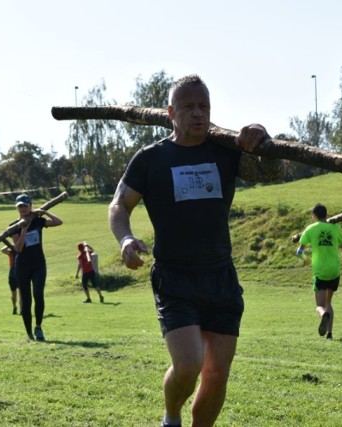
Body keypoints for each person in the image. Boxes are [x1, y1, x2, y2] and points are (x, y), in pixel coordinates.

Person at [109, 75, 284, 427]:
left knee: (217, 374)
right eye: (188, 106)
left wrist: (262, 138)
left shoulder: (225, 151)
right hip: (175, 279)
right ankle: (171, 416)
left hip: (220, 277)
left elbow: (272, 173)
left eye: (203, 106)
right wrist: (126, 239)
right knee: (189, 365)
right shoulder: (151, 159)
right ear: (170, 113)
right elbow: (118, 206)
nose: (197, 113)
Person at [11, 194, 63, 342]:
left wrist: (44, 211)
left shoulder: (38, 221)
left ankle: (38, 327)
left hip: (39, 264)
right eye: (20, 207)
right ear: (17, 209)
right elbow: (19, 249)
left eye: (25, 206)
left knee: (38, 295)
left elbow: (58, 222)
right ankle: (29, 333)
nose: (23, 209)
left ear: (30, 206)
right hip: (22, 266)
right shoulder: (13, 227)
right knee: (26, 301)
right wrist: (24, 229)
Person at [297, 203, 342, 340]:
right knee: (328, 303)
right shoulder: (335, 227)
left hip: (320, 271)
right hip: (334, 270)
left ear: (314, 215)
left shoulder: (311, 229)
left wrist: (305, 259)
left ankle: (323, 315)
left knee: (319, 306)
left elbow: (299, 251)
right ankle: (329, 334)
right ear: (327, 214)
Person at [0, 245, 21, 314]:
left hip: (21, 274)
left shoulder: (22, 251)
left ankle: (22, 310)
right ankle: (14, 306)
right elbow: (2, 250)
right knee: (14, 294)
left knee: (21, 293)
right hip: (12, 276)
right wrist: (9, 245)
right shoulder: (11, 253)